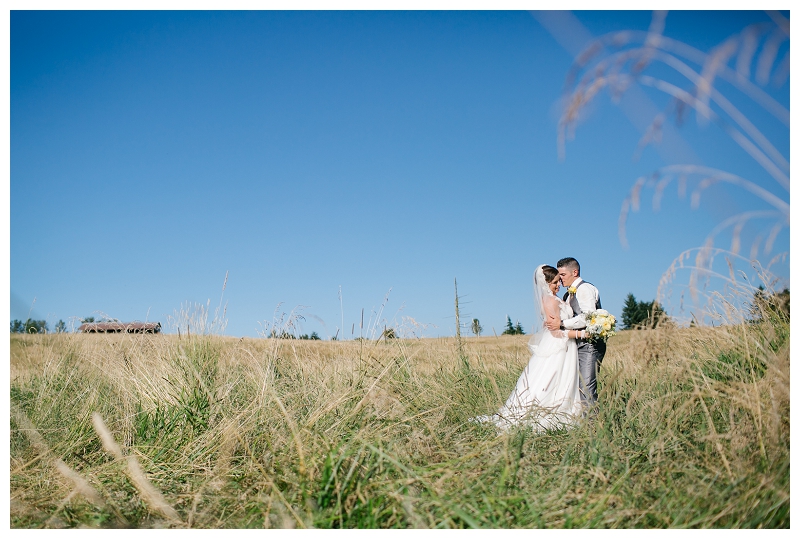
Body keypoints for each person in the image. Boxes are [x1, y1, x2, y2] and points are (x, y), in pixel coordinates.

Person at [471, 264, 586, 431]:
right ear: (546, 283)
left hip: (565, 347)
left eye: (558, 281)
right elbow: (556, 333)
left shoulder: (554, 299)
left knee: (559, 379)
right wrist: (581, 335)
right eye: (555, 282)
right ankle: (549, 412)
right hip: (558, 346)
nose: (558, 285)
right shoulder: (550, 301)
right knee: (551, 379)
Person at [548, 257, 606, 413]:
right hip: (576, 346)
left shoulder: (584, 289)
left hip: (590, 345)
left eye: (563, 274)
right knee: (576, 388)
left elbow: (588, 317)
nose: (560, 278)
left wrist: (562, 324)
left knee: (586, 388)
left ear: (575, 272)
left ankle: (593, 427)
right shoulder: (568, 295)